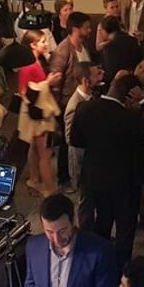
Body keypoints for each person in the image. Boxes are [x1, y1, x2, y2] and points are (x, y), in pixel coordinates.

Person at [70, 74, 144, 273]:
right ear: (130, 96)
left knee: (102, 224)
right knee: (125, 231)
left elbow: (75, 140)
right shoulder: (130, 117)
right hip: (127, 184)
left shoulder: (85, 108)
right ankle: (121, 271)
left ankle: (99, 267)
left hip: (97, 180)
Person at [50, 11, 93, 193]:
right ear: (76, 29)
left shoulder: (84, 47)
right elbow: (55, 82)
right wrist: (56, 110)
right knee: (65, 143)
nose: (90, 30)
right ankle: (63, 179)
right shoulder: (63, 50)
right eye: (86, 27)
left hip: (84, 101)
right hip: (67, 103)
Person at [17, 29, 62, 197]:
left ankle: (34, 179)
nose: (46, 44)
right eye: (43, 41)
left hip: (38, 110)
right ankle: (50, 190)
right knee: (45, 153)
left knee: (36, 148)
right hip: (35, 113)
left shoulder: (38, 61)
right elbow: (24, 92)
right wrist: (47, 83)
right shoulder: (28, 66)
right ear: (33, 45)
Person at [64, 61, 105, 226]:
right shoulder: (75, 105)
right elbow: (70, 138)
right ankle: (86, 233)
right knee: (86, 204)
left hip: (94, 162)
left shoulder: (92, 98)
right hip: (83, 165)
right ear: (86, 81)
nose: (100, 77)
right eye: (96, 75)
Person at [98, 15, 143, 84]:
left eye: (101, 30)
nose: (100, 33)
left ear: (105, 30)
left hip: (118, 84)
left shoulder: (109, 47)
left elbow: (110, 74)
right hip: (136, 80)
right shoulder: (133, 40)